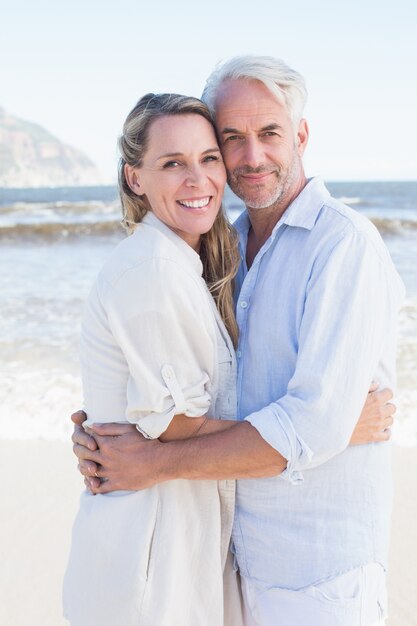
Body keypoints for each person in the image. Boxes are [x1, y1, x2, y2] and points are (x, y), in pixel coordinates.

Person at [72, 57, 403, 626]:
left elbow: (310, 424)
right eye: (231, 139)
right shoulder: (224, 250)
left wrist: (150, 460)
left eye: (269, 133)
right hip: (234, 561)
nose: (251, 156)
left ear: (300, 134)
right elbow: (182, 402)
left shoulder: (343, 246)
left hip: (316, 572)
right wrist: (113, 430)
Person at [63, 93, 246, 626]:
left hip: (161, 553)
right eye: (173, 163)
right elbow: (179, 427)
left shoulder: (180, 263)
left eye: (208, 158)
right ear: (134, 178)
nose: (197, 180)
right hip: (146, 567)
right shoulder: (155, 269)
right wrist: (323, 428)